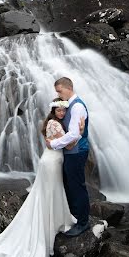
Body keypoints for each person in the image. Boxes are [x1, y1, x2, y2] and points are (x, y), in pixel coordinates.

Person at [0, 99, 83, 257]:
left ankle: (55, 219)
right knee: (49, 193)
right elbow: (63, 144)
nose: (62, 112)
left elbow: (63, 143)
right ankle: (49, 223)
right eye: (60, 110)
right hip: (51, 163)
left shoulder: (57, 123)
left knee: (52, 192)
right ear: (54, 110)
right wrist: (78, 131)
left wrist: (74, 134)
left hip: (53, 161)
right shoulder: (54, 124)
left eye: (64, 110)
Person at [46, 77, 90, 237]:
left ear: (68, 88)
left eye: (59, 90)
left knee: (77, 186)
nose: (58, 94)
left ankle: (83, 222)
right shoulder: (69, 106)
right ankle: (74, 216)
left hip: (77, 152)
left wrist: (54, 144)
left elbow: (74, 134)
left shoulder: (77, 106)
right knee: (70, 185)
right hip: (71, 152)